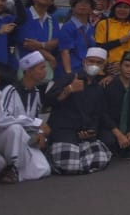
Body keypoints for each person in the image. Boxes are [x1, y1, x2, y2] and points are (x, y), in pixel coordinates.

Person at [45, 46, 114, 175]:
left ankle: (80, 162)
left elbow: (97, 114)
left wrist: (91, 131)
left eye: (99, 63)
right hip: (63, 129)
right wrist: (69, 90)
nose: (94, 65)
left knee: (101, 159)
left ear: (103, 66)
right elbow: (48, 100)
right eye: (91, 61)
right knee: (70, 165)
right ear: (84, 62)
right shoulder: (70, 78)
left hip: (83, 133)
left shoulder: (97, 88)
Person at [0, 51, 51, 183]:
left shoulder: (35, 92)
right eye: (41, 68)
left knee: (43, 169)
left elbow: (37, 119)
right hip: (2, 140)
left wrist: (40, 133)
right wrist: (34, 123)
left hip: (25, 138)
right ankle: (11, 166)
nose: (45, 71)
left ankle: (15, 172)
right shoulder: (10, 90)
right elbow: (1, 119)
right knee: (15, 129)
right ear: (28, 71)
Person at [12, 0, 60, 75]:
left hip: (44, 70)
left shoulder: (52, 19)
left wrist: (40, 44)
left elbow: (56, 41)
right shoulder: (23, 14)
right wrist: (50, 57)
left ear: (52, 2)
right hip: (24, 68)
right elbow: (28, 43)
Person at [94, 0, 130, 72]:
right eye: (119, 7)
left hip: (125, 69)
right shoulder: (104, 24)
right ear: (114, 8)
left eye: (126, 7)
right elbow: (99, 48)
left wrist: (122, 64)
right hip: (104, 68)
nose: (122, 10)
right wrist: (119, 41)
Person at [57, 0, 96, 76]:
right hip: (71, 70)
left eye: (87, 3)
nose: (83, 5)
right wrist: (69, 74)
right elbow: (65, 52)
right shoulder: (68, 27)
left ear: (91, 10)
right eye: (79, 2)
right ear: (73, 8)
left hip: (87, 71)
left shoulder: (91, 28)